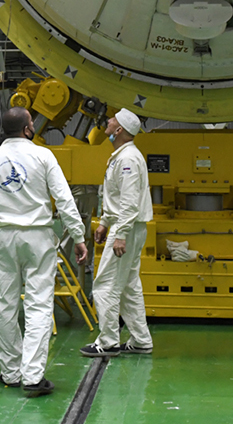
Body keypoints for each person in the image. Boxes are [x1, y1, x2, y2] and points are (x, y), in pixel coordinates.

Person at [0, 107, 87, 397]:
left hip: (4, 237)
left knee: (4, 305)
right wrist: (78, 236)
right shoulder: (43, 156)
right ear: (28, 128)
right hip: (38, 237)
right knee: (39, 306)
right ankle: (32, 377)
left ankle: (10, 372)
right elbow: (64, 199)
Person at [81, 108, 154, 358]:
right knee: (129, 286)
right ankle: (141, 340)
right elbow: (116, 197)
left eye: (112, 120)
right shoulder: (121, 156)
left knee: (105, 285)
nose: (108, 122)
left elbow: (130, 202)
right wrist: (104, 223)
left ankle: (109, 340)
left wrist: (120, 233)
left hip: (128, 228)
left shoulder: (127, 160)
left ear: (120, 129)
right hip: (126, 226)